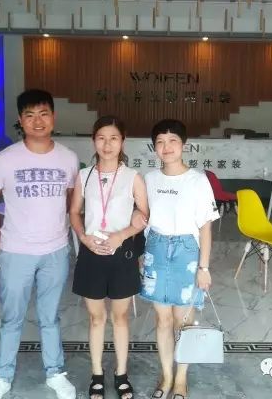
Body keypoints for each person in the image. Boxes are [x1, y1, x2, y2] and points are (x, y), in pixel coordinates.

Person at [0, 89, 77, 399]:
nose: (37, 121)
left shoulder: (68, 158)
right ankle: (2, 377)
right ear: (20, 120)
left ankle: (55, 373)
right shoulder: (5, 159)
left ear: (53, 117)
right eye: (30, 115)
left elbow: (72, 201)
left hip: (55, 251)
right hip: (16, 252)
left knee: (50, 317)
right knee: (12, 318)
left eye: (43, 114)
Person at [138, 119, 219, 399]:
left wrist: (204, 267)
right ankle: (167, 375)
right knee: (162, 320)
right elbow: (143, 218)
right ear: (154, 147)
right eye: (160, 142)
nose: (166, 147)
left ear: (184, 145)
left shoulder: (197, 180)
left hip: (187, 252)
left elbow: (205, 226)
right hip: (156, 249)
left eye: (173, 141)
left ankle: (181, 378)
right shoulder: (149, 179)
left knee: (183, 321)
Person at [69, 115, 149, 399]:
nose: (107, 144)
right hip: (91, 254)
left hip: (121, 254)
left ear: (122, 142)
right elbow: (74, 212)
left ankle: (121, 374)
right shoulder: (84, 176)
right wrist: (83, 237)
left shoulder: (133, 177)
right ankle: (97, 375)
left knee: (121, 317)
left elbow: (144, 215)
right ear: (94, 141)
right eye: (101, 138)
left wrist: (121, 234)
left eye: (113, 138)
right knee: (95, 318)